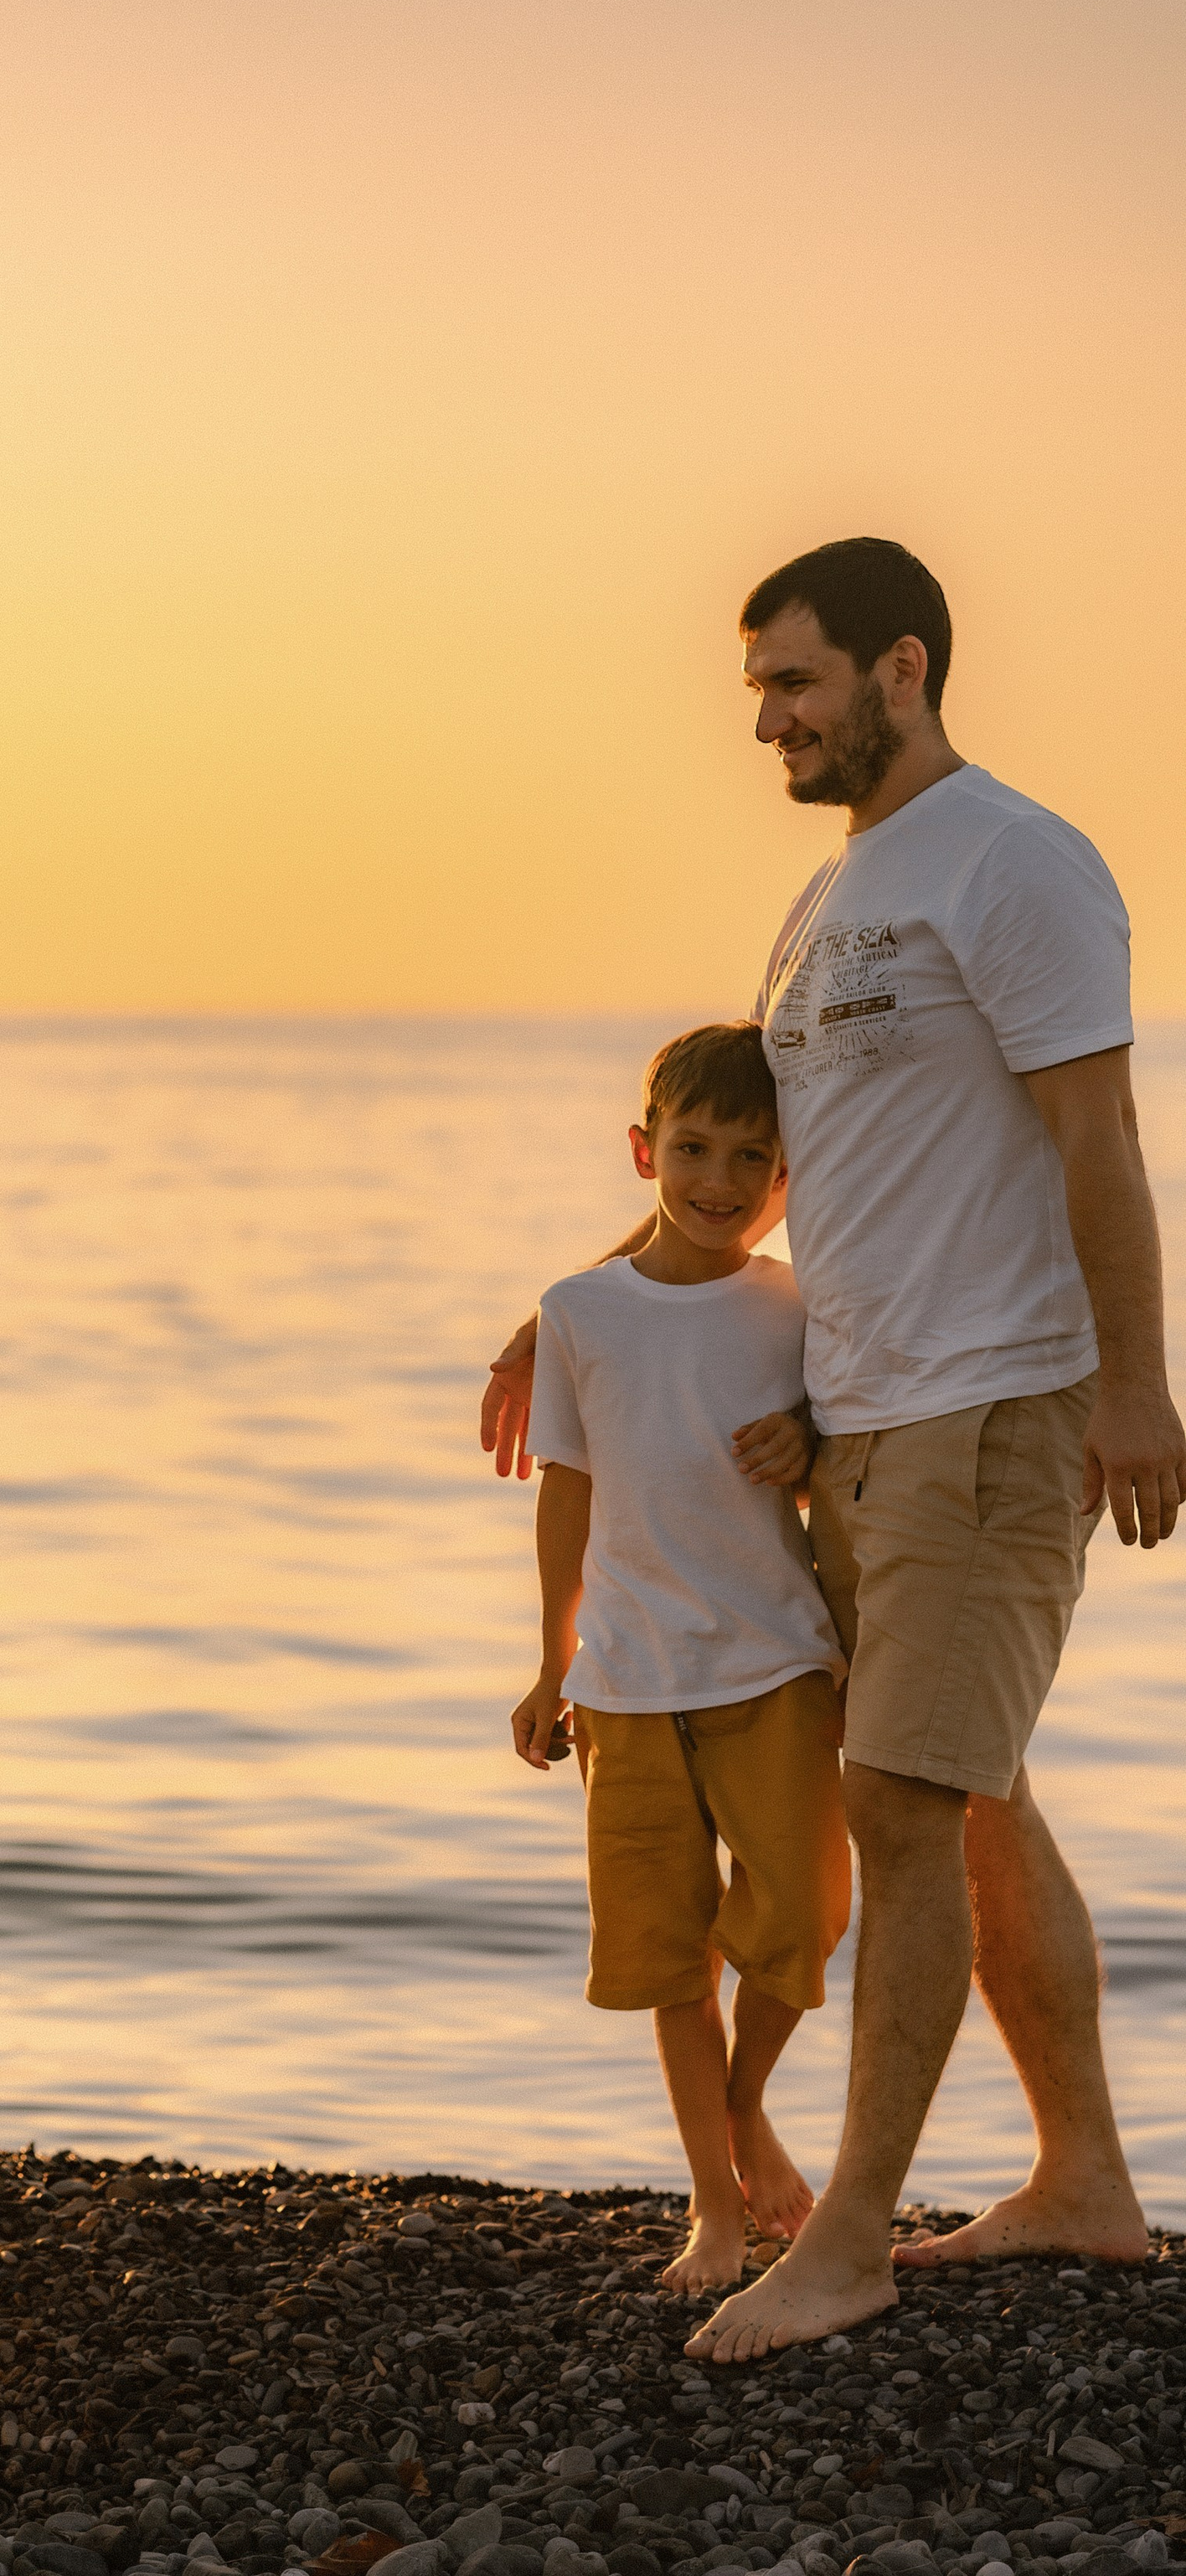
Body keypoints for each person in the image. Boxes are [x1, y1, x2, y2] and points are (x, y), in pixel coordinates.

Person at [484, 538, 1183, 2362]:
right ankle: (1085, 2182)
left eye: (792, 685)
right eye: (754, 695)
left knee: (895, 1800)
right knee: (970, 1793)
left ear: (900, 665)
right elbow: (774, 1172)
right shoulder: (827, 899)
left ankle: (848, 2235)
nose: (768, 722)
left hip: (987, 1402)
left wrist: (1131, 1385)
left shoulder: (1014, 862)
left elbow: (1095, 1133)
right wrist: (577, 1300)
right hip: (851, 1421)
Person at [513, 1022, 849, 2295]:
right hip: (628, 1682)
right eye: (695, 1149)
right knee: (664, 1953)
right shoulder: (580, 1311)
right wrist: (550, 1664)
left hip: (774, 1662)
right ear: (645, 1150)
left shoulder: (800, 1309)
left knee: (800, 1920)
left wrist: (808, 1445)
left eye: (751, 1157)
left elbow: (845, 1466)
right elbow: (566, 1490)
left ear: (786, 1176)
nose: (719, 1179)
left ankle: (745, 2105)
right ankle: (715, 2206)